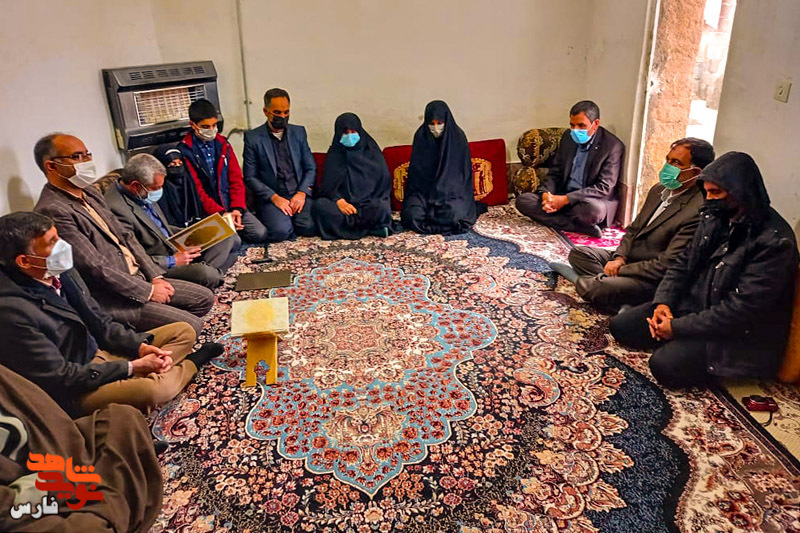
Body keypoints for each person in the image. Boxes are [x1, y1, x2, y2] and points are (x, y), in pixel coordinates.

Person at [0, 211, 223, 415]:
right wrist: (131, 367)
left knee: (183, 331)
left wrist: (139, 347)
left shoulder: (59, 269)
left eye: (58, 237)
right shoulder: (12, 312)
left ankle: (145, 376)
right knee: (154, 391)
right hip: (77, 384)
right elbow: (61, 377)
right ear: (24, 261)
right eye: (52, 243)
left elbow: (100, 322)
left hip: (101, 351)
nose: (63, 246)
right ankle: (189, 365)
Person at [610, 152, 799, 388]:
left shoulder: (775, 242)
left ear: (740, 192)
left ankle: (681, 344)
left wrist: (677, 328)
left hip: (736, 335)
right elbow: (682, 264)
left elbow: (740, 312)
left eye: (716, 193)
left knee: (664, 365)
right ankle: (676, 339)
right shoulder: (715, 216)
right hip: (696, 308)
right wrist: (663, 303)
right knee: (621, 326)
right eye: (707, 192)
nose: (709, 199)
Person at [33, 133, 214, 336]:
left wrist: (154, 277)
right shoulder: (53, 210)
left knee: (204, 298)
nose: (86, 162)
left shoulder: (89, 192)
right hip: (115, 297)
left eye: (87, 154)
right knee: (192, 326)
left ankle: (161, 332)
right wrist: (148, 292)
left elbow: (126, 236)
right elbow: (95, 267)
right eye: (76, 157)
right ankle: (140, 342)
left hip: (139, 276)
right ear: (52, 166)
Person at [551, 138, 715, 312]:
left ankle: (594, 285)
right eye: (668, 160)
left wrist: (622, 269)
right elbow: (633, 229)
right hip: (630, 258)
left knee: (596, 288)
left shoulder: (696, 209)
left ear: (696, 172)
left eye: (676, 163)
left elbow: (666, 264)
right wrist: (619, 258)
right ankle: (616, 294)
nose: (668, 166)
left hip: (650, 276)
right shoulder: (658, 190)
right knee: (579, 253)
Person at [0, 365, 163, 532]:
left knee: (123, 418)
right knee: (87, 527)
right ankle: (116, 503)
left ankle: (111, 506)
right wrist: (129, 367)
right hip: (37, 499)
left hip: (61, 457)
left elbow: (48, 418)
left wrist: (136, 356)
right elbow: (62, 376)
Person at [105, 154, 240, 289]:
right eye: (155, 188)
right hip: (159, 263)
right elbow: (133, 257)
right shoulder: (116, 209)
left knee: (228, 236)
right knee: (207, 273)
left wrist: (193, 232)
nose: (159, 191)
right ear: (135, 185)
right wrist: (173, 260)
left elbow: (158, 227)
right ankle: (211, 274)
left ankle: (211, 275)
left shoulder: (140, 192)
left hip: (173, 243)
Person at [516, 100, 625, 237]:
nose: (575, 130)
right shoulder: (568, 137)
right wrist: (546, 195)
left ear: (596, 124)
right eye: (572, 125)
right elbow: (555, 172)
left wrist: (566, 199)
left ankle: (566, 219)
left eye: (581, 126)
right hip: (562, 195)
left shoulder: (612, 146)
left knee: (591, 211)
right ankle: (578, 226)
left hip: (588, 200)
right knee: (523, 201)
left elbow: (604, 187)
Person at [179, 98, 269, 244]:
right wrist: (222, 214)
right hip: (209, 212)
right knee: (234, 242)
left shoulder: (223, 144)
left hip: (230, 205)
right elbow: (198, 192)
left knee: (260, 233)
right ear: (193, 125)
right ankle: (229, 234)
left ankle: (233, 228)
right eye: (205, 126)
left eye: (214, 125)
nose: (211, 130)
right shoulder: (186, 151)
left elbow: (236, 179)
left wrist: (237, 209)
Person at [243, 88, 317, 242]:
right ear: (266, 111)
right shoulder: (253, 138)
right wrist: (274, 197)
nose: (283, 116)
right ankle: (284, 221)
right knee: (280, 232)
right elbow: (250, 177)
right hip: (273, 196)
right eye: (277, 112)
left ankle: (292, 220)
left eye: (286, 112)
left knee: (309, 227)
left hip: (297, 192)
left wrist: (302, 193)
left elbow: (310, 167)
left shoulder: (299, 132)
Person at [312, 113, 392, 240]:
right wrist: (339, 201)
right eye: (345, 132)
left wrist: (368, 201)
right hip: (342, 207)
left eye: (353, 131)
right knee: (320, 205)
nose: (349, 136)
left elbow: (383, 185)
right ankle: (371, 229)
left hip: (367, 205)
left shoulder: (372, 152)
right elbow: (327, 187)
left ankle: (344, 228)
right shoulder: (334, 155)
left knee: (381, 207)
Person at [401, 100, 477, 235]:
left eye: (439, 123)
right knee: (412, 214)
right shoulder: (421, 137)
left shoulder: (458, 138)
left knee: (454, 214)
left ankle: (435, 221)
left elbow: (461, 176)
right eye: (432, 124)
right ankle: (438, 222)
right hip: (423, 194)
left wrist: (443, 192)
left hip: (451, 194)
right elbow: (416, 174)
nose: (435, 128)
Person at [152, 143, 205, 227]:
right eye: (172, 164)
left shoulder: (189, 183)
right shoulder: (157, 190)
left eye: (180, 163)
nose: (178, 168)